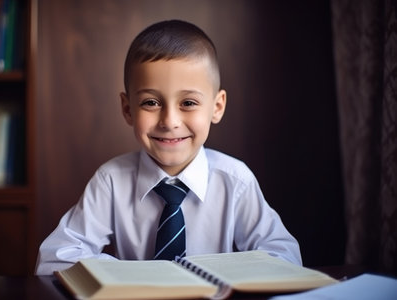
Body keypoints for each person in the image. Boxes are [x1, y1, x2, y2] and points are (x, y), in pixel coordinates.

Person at [35, 20, 302, 275]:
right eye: (151, 103)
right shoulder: (111, 181)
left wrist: (224, 272)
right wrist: (132, 275)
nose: (169, 122)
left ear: (216, 107)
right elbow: (54, 258)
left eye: (188, 103)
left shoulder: (235, 181)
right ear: (128, 109)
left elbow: (285, 259)